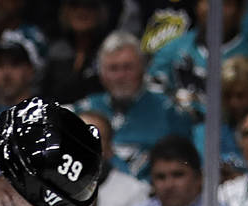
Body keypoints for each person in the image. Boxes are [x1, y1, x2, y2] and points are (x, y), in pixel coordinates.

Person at [74, 30, 193, 180]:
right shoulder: (86, 109)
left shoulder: (170, 111)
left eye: (127, 67)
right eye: (113, 68)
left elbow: (184, 166)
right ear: (102, 74)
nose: (120, 76)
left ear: (143, 69)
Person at [78, 110, 151, 206]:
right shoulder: (49, 181)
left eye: (94, 137)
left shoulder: (134, 191)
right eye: (77, 135)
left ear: (109, 148)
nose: (83, 143)